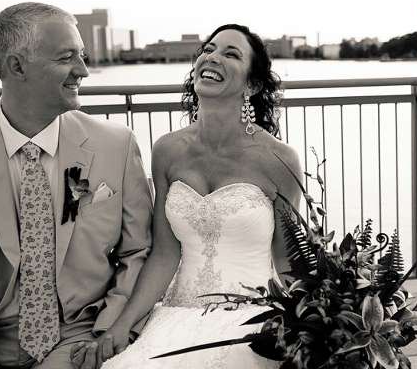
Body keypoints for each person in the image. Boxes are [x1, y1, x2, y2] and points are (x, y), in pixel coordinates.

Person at [0, 2, 153, 369]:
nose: (83, 70)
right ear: (17, 66)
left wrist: (109, 330)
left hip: (79, 338)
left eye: (82, 56)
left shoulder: (117, 145)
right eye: (67, 58)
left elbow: (138, 252)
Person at [86, 24, 302, 369]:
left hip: (253, 319)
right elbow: (164, 254)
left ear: (252, 85)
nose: (212, 57)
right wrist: (122, 325)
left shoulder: (279, 159)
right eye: (208, 49)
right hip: (178, 314)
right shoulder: (167, 150)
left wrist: (318, 321)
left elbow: (289, 259)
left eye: (231, 54)